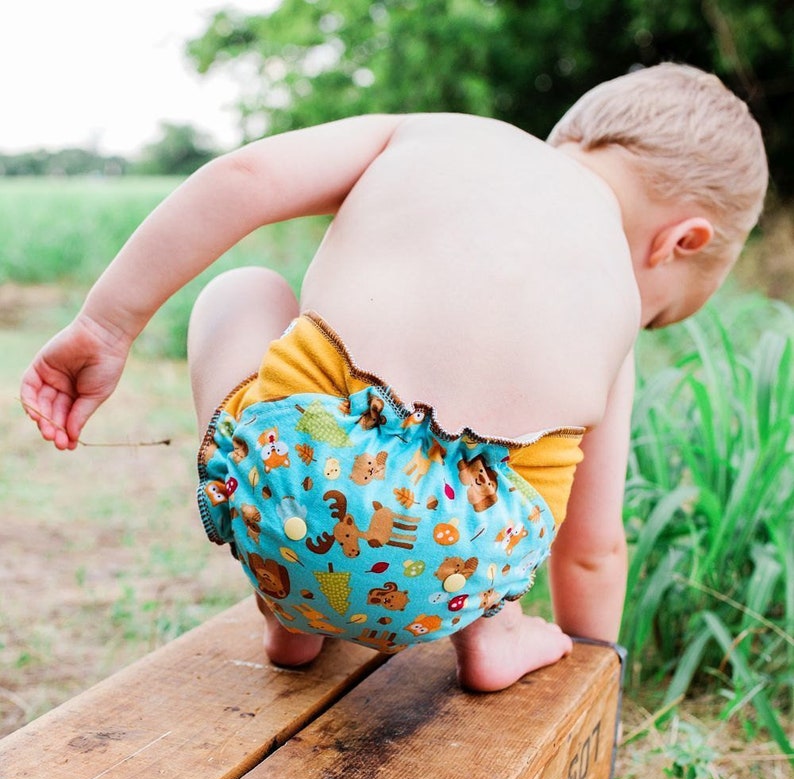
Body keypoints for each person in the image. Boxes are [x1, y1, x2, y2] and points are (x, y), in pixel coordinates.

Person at [21, 63, 767, 692]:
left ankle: (287, 613)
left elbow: (245, 176)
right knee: (520, 464)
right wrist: (594, 670)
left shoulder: (439, 134)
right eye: (657, 315)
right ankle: (495, 633)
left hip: (294, 488)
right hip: (467, 560)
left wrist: (106, 325)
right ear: (681, 240)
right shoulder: (613, 305)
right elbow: (592, 546)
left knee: (242, 290)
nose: (639, 321)